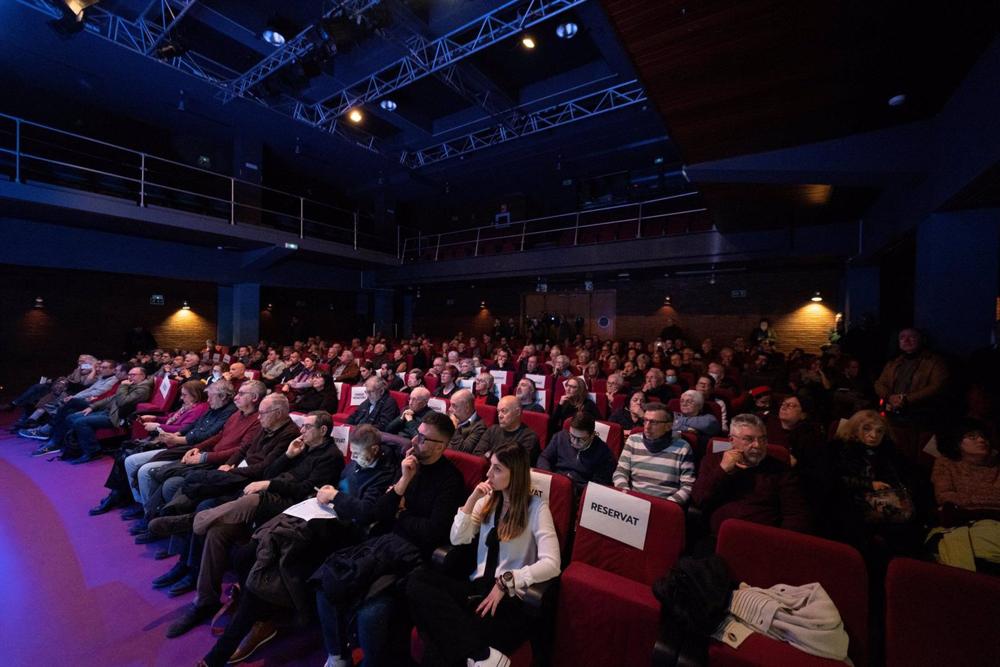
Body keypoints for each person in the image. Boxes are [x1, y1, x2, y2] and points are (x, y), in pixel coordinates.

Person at [168, 410, 344, 639]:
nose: (302, 430)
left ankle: (192, 521)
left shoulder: (331, 456)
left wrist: (269, 485)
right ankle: (205, 601)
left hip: (289, 509)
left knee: (251, 498)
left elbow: (305, 490)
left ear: (322, 430)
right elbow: (270, 471)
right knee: (216, 532)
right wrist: (288, 456)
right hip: (268, 499)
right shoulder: (301, 447)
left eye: (308, 427)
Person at [314, 411, 465, 667]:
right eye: (417, 434)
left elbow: (433, 532)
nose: (416, 442)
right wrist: (404, 480)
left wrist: (400, 515)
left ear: (443, 446)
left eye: (425, 440)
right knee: (326, 581)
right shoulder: (408, 465)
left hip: (411, 559)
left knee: (371, 614)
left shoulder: (451, 481)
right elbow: (380, 512)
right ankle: (339, 656)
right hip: (383, 543)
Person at [407, 442, 561, 667]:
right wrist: (471, 501)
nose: (488, 474)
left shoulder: (537, 508)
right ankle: (482, 655)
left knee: (438, 643)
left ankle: (474, 651)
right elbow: (457, 539)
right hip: (476, 588)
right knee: (416, 580)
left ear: (515, 474)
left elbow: (552, 563)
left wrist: (507, 581)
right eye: (490, 466)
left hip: (507, 598)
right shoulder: (488, 500)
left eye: (497, 469)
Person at [90, 380, 209, 515]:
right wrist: (155, 418)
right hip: (165, 439)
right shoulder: (188, 405)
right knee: (124, 453)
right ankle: (122, 495)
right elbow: (172, 418)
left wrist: (158, 426)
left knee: (126, 456)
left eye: (184, 395)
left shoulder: (200, 408)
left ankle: (119, 496)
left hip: (174, 444)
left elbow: (183, 428)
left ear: (195, 395)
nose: (181, 398)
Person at [692, 413, 811, 538]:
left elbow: (795, 515)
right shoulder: (714, 459)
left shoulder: (780, 470)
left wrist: (781, 543)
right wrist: (723, 470)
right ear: (732, 440)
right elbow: (698, 499)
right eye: (749, 439)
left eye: (763, 439)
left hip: (761, 540)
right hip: (716, 538)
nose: (758, 445)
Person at [831, 410, 920, 558]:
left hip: (884, 504)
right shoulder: (840, 449)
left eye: (879, 431)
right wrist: (869, 484)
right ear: (855, 428)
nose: (874, 435)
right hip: (850, 502)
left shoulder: (889, 452)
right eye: (867, 429)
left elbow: (906, 476)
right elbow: (834, 479)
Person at [928, 419, 1000, 571]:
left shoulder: (996, 465)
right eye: (972, 437)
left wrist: (965, 499)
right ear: (957, 442)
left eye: (983, 437)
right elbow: (944, 496)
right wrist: (987, 497)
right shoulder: (945, 463)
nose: (981, 440)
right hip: (960, 524)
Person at [60, 366, 154, 464]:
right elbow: (111, 398)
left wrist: (123, 386)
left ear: (142, 376)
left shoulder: (143, 389)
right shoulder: (133, 385)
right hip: (109, 411)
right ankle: (77, 446)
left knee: (80, 422)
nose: (129, 377)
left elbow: (123, 402)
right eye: (129, 374)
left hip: (117, 418)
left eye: (133, 375)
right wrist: (92, 406)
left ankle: (93, 452)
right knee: (71, 417)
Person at [613, 403, 695, 503]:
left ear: (668, 426)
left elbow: (688, 486)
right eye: (645, 420)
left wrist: (664, 506)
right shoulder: (633, 440)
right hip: (633, 501)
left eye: (654, 422)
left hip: (665, 506)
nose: (647, 426)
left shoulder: (683, 447)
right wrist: (627, 495)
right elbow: (620, 473)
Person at [539, 411, 615, 490]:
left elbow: (598, 485)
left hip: (580, 492)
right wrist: (550, 477)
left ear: (592, 435)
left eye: (580, 439)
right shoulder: (560, 437)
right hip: (556, 484)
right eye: (572, 436)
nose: (574, 442)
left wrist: (571, 484)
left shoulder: (604, 453)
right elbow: (544, 458)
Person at [477, 396, 540, 463]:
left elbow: (514, 465)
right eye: (498, 411)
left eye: (504, 411)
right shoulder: (492, 429)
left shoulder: (529, 437)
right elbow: (477, 454)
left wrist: (489, 454)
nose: (499, 416)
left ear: (517, 412)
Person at [448, 389, 487, 454]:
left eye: (454, 406)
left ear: (467, 408)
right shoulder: (452, 416)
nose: (449, 409)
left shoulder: (479, 427)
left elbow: (464, 451)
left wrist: (453, 428)